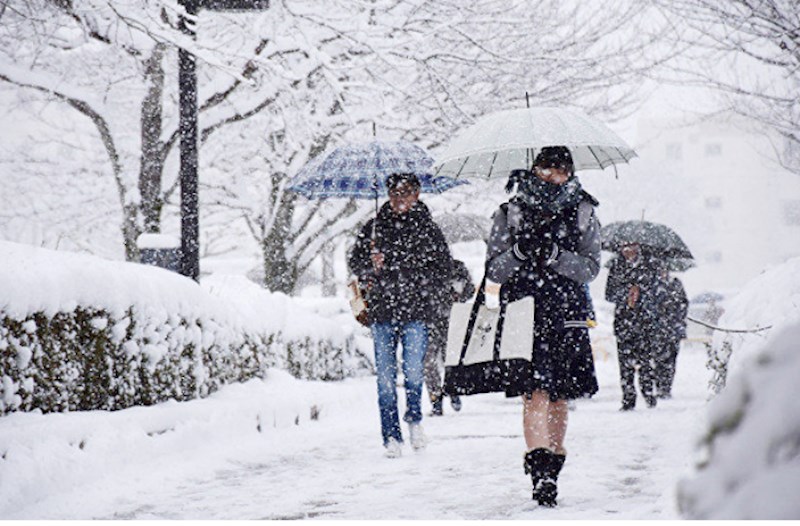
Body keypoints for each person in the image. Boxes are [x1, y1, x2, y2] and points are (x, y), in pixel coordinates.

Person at [484, 146, 601, 506]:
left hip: (566, 312)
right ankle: (540, 473)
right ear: (534, 169)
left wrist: (555, 256)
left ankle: (554, 462)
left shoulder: (583, 210)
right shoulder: (510, 212)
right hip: (523, 312)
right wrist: (519, 252)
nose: (553, 176)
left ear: (570, 172)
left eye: (561, 170)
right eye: (547, 169)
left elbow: (591, 268)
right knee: (534, 393)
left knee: (559, 395)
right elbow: (493, 270)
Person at [348, 172, 454, 458]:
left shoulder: (428, 229)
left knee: (413, 373)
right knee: (384, 378)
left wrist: (419, 278)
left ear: (417, 194)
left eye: (405, 192)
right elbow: (354, 262)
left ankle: (415, 420)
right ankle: (390, 436)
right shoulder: (373, 227)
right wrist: (371, 264)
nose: (399, 198)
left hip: (416, 312)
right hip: (382, 312)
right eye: (394, 193)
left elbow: (444, 268)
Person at [605, 243, 663, 411]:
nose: (628, 251)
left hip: (644, 323)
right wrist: (626, 294)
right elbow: (609, 294)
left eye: (631, 247)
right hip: (624, 322)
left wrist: (641, 293)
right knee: (625, 364)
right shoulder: (616, 266)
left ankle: (648, 392)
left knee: (645, 361)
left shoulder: (649, 265)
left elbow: (656, 292)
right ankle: (628, 397)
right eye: (624, 247)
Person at [425, 258, 475, 416]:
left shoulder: (456, 267)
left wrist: (458, 297)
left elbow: (470, 289)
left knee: (448, 359)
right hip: (430, 320)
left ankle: (452, 391)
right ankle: (437, 400)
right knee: (430, 362)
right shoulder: (422, 267)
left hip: (449, 319)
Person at [654, 268, 688, 399]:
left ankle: (666, 387)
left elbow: (683, 303)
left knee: (671, 359)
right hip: (658, 328)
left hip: (673, 328)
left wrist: (677, 315)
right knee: (658, 358)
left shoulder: (675, 283)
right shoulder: (654, 285)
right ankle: (660, 386)